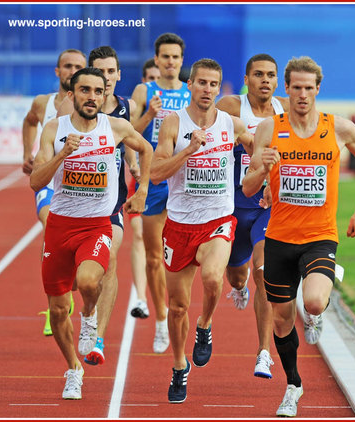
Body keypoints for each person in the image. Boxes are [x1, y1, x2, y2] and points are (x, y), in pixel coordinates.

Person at [242, 56, 355, 417]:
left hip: (320, 235)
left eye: (308, 87)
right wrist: (263, 167)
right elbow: (248, 184)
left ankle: (320, 304)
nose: (302, 94)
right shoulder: (269, 129)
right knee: (282, 319)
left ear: (318, 89)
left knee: (313, 303)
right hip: (280, 238)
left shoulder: (338, 128)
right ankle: (293, 385)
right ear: (287, 89)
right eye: (296, 87)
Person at [30, 67, 152, 400]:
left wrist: (141, 189)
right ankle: (73, 369)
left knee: (87, 281)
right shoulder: (55, 130)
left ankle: (88, 318)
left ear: (104, 95)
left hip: (97, 224)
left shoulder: (116, 127)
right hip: (59, 226)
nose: (92, 97)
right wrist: (62, 154)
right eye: (85, 90)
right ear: (72, 94)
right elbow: (36, 181)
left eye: (98, 91)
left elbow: (146, 148)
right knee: (56, 310)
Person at [151, 58, 253, 403]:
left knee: (212, 278)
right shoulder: (172, 124)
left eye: (213, 84)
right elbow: (155, 173)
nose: (207, 89)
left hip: (218, 219)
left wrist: (267, 178)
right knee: (177, 307)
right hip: (179, 225)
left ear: (219, 88)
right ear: (190, 85)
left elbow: (260, 150)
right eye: (202, 83)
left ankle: (205, 326)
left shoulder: (232, 124)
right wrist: (190, 149)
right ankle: (179, 367)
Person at [56, 46, 140, 365]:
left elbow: (130, 143)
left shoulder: (125, 107)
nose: (104, 77)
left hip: (111, 202)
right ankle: (76, 308)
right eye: (98, 71)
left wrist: (135, 169)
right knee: (82, 277)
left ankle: (98, 337)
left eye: (110, 72)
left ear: (118, 75)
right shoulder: (72, 105)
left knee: (111, 260)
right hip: (74, 203)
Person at [216, 53, 288, 379]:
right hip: (232, 206)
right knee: (237, 276)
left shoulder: (285, 108)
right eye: (258, 75)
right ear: (247, 79)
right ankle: (239, 286)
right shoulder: (230, 107)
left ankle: (263, 353)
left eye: (270, 75)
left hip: (266, 207)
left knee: (263, 272)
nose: (265, 81)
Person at [131, 33, 191, 353]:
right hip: (155, 180)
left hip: (186, 178)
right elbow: (129, 134)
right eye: (164, 57)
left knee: (185, 253)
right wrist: (150, 115)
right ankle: (161, 319)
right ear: (156, 60)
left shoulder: (192, 91)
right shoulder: (145, 90)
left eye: (175, 57)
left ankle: (182, 308)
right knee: (155, 257)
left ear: (182, 61)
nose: (170, 62)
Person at [22, 49, 86, 336]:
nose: (72, 71)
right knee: (50, 224)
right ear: (57, 71)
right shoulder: (43, 102)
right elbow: (29, 121)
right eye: (67, 66)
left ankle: (66, 291)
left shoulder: (90, 105)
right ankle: (54, 306)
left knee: (72, 248)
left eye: (78, 67)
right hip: (49, 181)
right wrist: (28, 151)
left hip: (81, 185)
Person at [129, 58, 162, 319]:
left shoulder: (180, 101)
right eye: (150, 78)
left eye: (158, 77)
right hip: (141, 175)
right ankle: (141, 298)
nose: (154, 82)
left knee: (160, 248)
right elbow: (129, 134)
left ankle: (164, 303)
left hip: (170, 179)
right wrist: (149, 114)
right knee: (139, 235)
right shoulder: (141, 101)